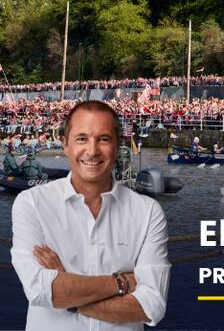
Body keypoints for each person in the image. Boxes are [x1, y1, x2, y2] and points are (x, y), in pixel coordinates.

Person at [11, 100, 169, 330]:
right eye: (82, 138)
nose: (92, 151)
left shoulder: (148, 212)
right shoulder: (31, 203)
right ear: (65, 144)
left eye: (103, 139)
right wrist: (122, 282)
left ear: (117, 146)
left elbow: (151, 307)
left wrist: (68, 294)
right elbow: (39, 290)